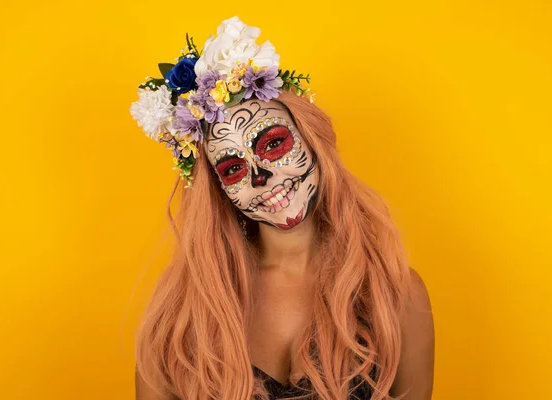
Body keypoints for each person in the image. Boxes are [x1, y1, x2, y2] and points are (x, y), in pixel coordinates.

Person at [130, 16, 434, 400]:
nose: (261, 177)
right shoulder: (182, 311)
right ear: (220, 190)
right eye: (234, 167)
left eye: (273, 144)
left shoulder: (396, 293)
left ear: (312, 139)